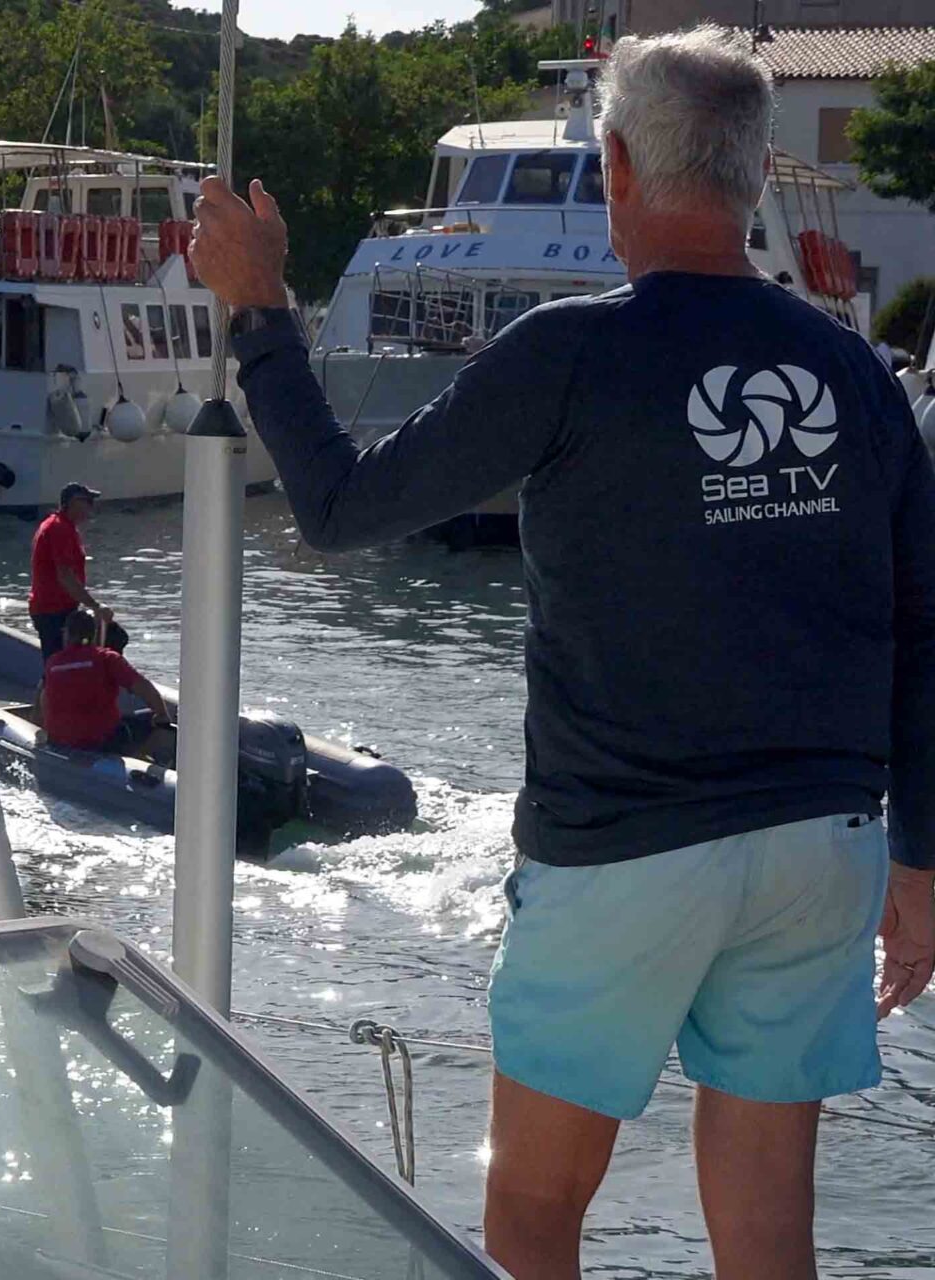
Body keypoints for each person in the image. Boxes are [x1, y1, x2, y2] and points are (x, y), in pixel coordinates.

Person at [190, 26, 935, 1279]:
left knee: (533, 1217)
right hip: (821, 851)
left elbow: (337, 507)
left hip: (623, 855)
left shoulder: (571, 354)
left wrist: (262, 311)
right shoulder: (853, 371)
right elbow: (922, 621)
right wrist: (920, 849)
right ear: (754, 178)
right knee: (767, 1235)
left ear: (616, 169)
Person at [38, 620, 173, 756]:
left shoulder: (53, 662)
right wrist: (162, 714)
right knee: (151, 720)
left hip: (61, 740)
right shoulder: (107, 659)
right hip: (100, 741)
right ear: (94, 635)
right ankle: (138, 758)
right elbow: (144, 687)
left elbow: (44, 699)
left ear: (67, 635)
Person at [28, 481, 127, 656]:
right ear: (73, 503)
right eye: (87, 502)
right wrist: (95, 606)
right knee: (58, 664)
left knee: (116, 637)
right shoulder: (58, 528)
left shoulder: (66, 527)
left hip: (63, 608)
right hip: (52, 611)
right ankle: (49, 683)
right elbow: (65, 575)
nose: (91, 507)